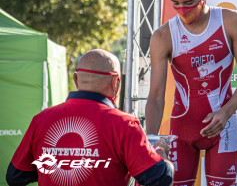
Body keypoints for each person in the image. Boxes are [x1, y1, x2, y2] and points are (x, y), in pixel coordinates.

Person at [145, 0, 237, 186]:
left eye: (189, 3)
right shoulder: (163, 36)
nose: (182, 10)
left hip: (223, 128)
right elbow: (156, 96)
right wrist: (151, 142)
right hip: (182, 131)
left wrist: (225, 113)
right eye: (175, 3)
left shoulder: (231, 21)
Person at [6, 49, 174, 186]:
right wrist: (161, 153)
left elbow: (15, 176)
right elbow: (158, 178)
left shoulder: (41, 120)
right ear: (116, 82)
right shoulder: (124, 124)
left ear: (76, 79)